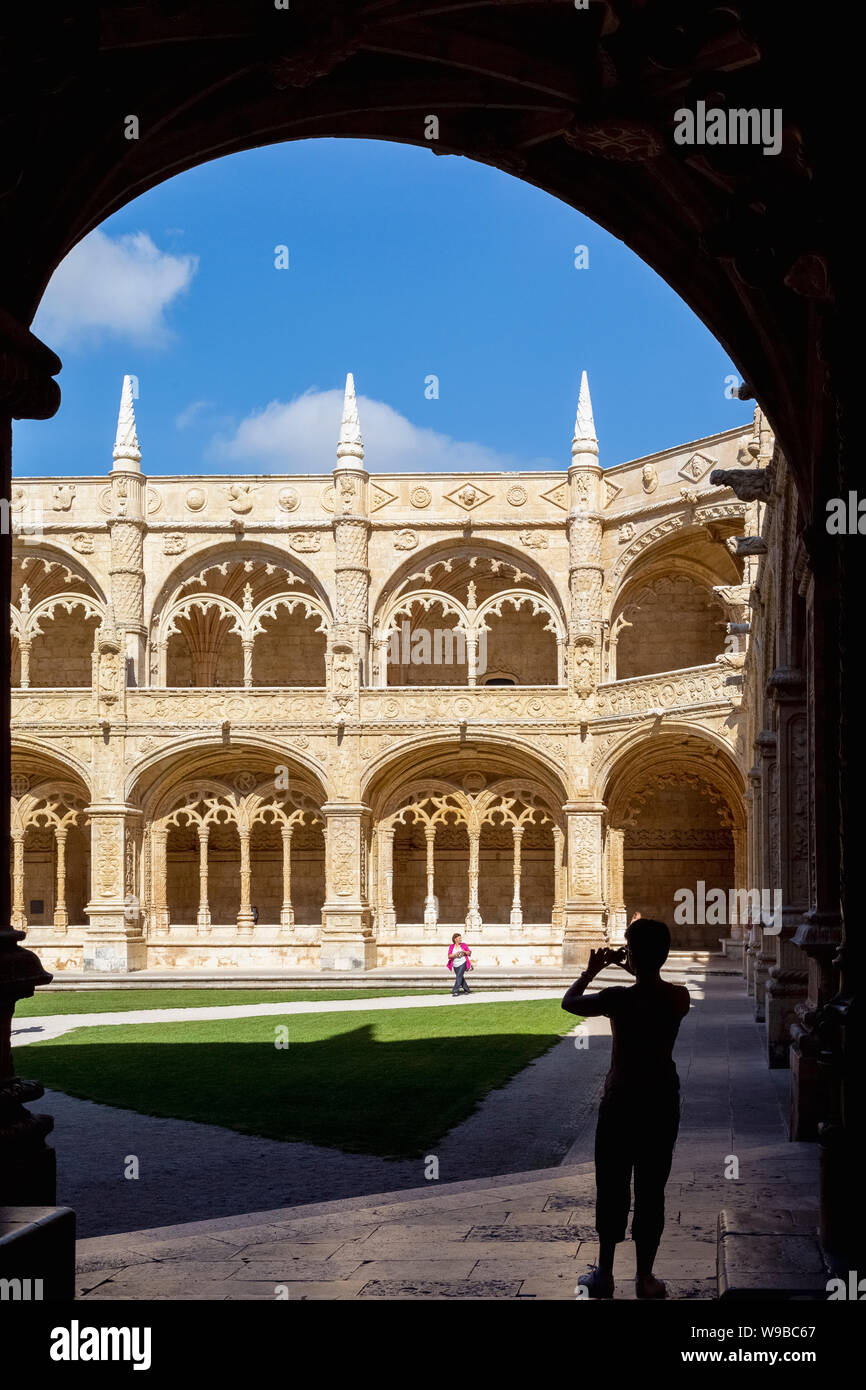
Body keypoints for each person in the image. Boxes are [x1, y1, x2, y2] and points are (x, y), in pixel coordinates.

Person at [562, 914, 690, 1300]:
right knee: (652, 1189)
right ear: (664, 955)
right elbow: (650, 980)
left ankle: (604, 1273)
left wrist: (592, 970)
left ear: (630, 954)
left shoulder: (617, 998)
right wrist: (635, 962)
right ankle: (645, 1277)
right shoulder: (678, 997)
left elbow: (569, 1002)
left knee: (612, 1186)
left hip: (621, 1101)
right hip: (661, 1100)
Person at [447, 932, 472, 997]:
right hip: (455, 964)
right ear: (455, 939)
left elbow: (469, 953)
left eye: (461, 938)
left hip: (463, 962)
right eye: (459, 938)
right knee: (460, 977)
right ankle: (467, 990)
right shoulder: (451, 946)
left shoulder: (464, 945)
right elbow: (449, 956)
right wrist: (455, 954)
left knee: (458, 976)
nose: (461, 939)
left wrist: (464, 952)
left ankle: (455, 991)